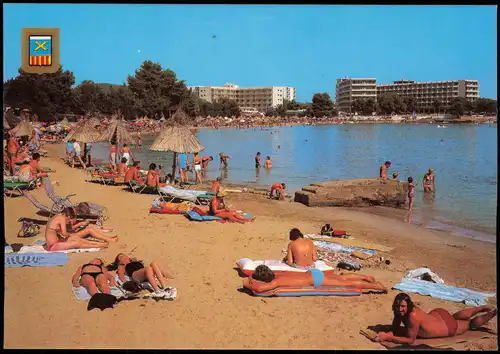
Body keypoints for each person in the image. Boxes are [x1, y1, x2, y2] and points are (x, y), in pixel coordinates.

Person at [375, 293, 497, 344]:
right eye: (397, 306)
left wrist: (389, 337)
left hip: (447, 327)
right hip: (438, 315)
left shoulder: (412, 316)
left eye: (402, 306)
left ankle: (493, 312)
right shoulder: (400, 311)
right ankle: (479, 308)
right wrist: (390, 331)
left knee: (470, 324)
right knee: (455, 317)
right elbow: (395, 328)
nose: (399, 309)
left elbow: (410, 340)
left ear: (408, 306)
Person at [243, 265, 386, 293]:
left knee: (344, 282)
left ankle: (376, 286)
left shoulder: (276, 282)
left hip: (315, 280)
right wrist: (252, 275)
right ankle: (365, 276)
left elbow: (258, 288)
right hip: (311, 272)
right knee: (340, 277)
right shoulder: (276, 274)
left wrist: (248, 282)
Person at [45, 207, 118, 251]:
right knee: (77, 243)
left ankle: (101, 243)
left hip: (56, 242)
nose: (68, 220)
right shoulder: (61, 218)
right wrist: (71, 235)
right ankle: (99, 245)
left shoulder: (56, 217)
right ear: (67, 215)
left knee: (79, 240)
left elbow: (58, 233)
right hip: (53, 246)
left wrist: (70, 236)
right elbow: (64, 233)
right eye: (69, 218)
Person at [107, 253, 173, 295]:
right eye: (121, 257)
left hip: (143, 274)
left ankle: (164, 287)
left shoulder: (134, 261)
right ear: (119, 262)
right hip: (134, 275)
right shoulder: (122, 265)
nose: (123, 257)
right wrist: (126, 283)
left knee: (153, 263)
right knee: (148, 269)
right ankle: (157, 290)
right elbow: (120, 274)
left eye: (124, 255)